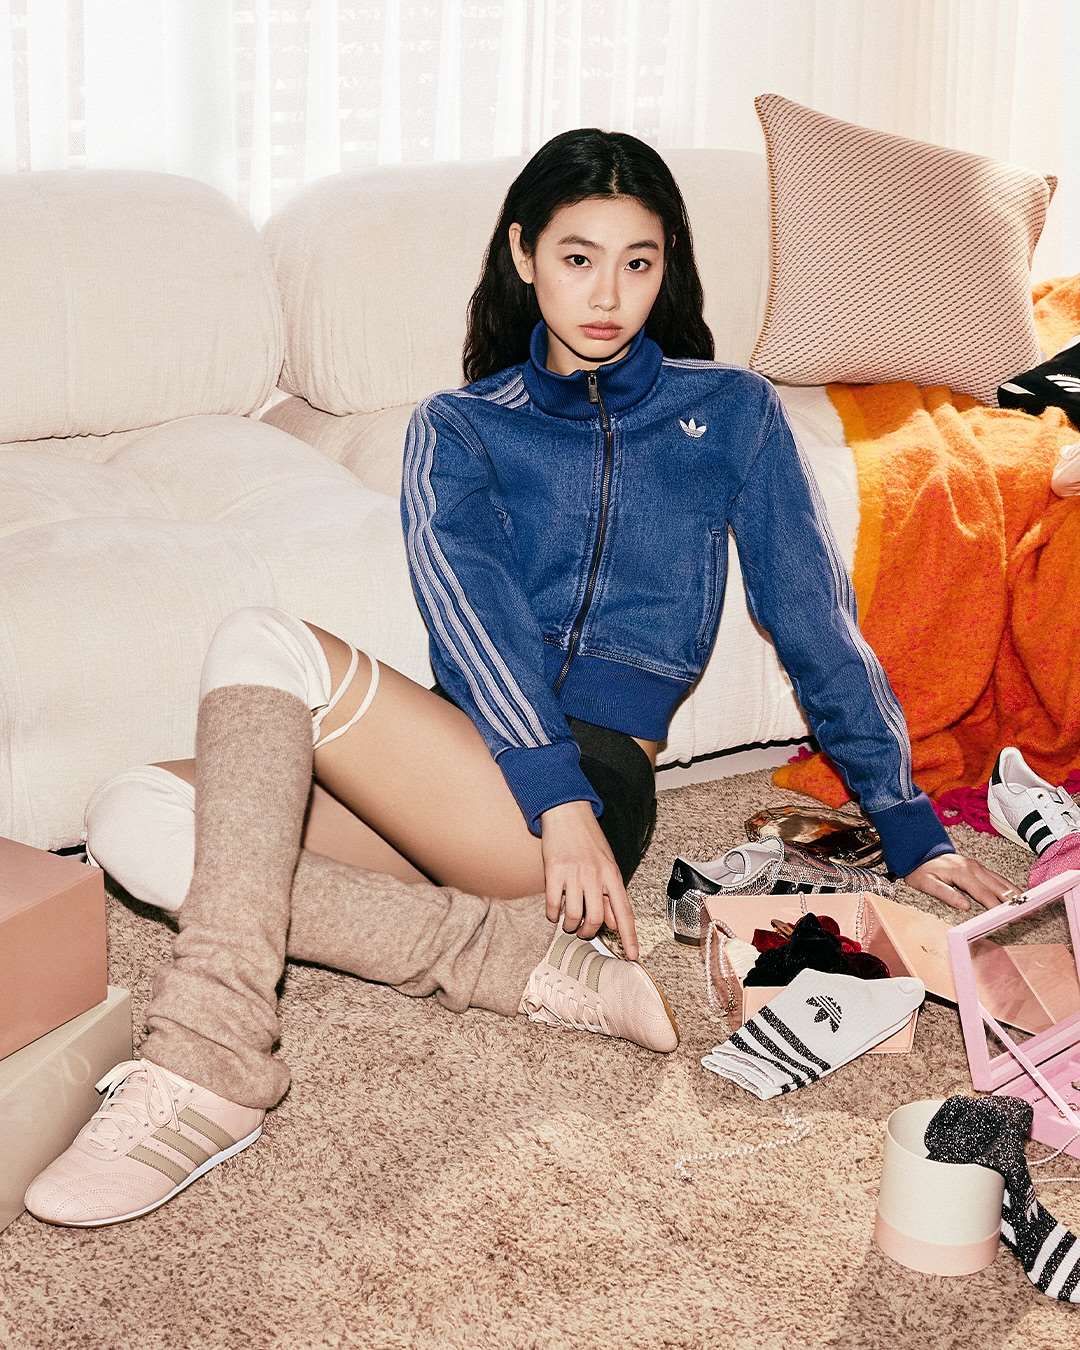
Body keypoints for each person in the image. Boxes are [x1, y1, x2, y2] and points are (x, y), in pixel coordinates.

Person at [26, 127, 1015, 1228]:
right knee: (132, 811)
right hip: (480, 776)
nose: (609, 294)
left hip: (587, 786)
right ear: (523, 254)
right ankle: (501, 958)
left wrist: (907, 822)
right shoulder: (460, 430)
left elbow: (814, 619)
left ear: (668, 268)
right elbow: (475, 623)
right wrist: (545, 794)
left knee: (265, 639)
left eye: (638, 262)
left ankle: (210, 1065)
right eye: (578, 257)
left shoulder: (731, 413)